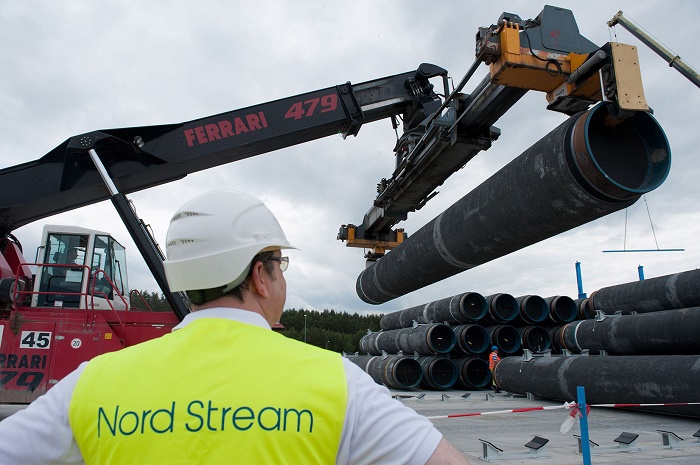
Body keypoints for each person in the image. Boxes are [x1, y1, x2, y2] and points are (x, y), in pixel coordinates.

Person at [0, 190, 470, 464]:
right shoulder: (337, 383)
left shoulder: (92, 383)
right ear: (260, 276)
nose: (281, 276)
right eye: (279, 264)